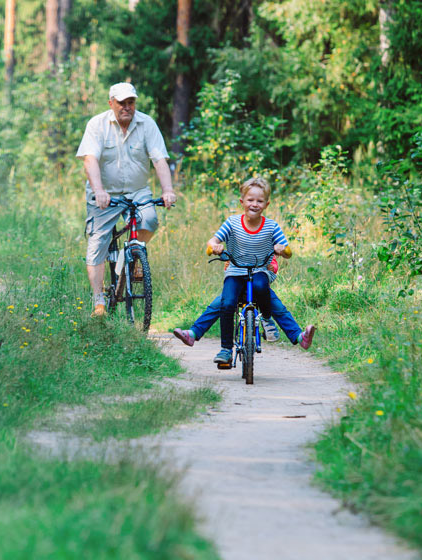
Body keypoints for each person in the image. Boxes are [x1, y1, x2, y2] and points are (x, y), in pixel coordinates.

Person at [174, 177, 315, 363]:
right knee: (225, 303)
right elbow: (212, 241)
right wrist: (214, 246)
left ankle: (285, 330)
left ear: (266, 204)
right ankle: (224, 349)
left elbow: (286, 250)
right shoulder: (232, 223)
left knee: (263, 289)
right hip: (235, 272)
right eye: (250, 200)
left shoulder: (271, 227)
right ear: (242, 202)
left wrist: (283, 250)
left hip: (260, 271)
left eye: (259, 201)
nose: (254, 204)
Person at [76, 82, 176, 316]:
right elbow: (89, 160)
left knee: (150, 220)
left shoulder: (146, 123)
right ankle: (99, 300)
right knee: (97, 242)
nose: (127, 107)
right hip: (105, 192)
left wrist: (168, 190)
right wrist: (99, 190)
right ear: (111, 103)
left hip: (137, 190)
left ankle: (134, 256)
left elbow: (159, 159)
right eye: (122, 103)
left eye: (131, 102)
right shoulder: (97, 124)